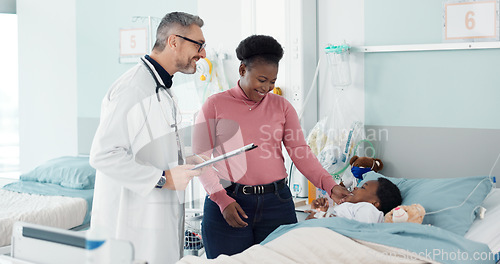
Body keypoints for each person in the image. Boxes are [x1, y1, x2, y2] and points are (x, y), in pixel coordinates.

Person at [192, 34, 351, 259]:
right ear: (242, 70)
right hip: (229, 203)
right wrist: (221, 199)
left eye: (272, 81)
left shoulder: (282, 107)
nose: (267, 87)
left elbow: (300, 152)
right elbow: (200, 159)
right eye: (261, 79)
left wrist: (330, 185)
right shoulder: (215, 105)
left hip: (276, 203)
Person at [89, 12, 207, 264]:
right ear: (174, 41)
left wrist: (182, 159)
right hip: (131, 225)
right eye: (199, 45)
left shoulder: (163, 89)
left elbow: (146, 149)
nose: (203, 54)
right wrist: (164, 178)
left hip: (156, 220)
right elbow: (103, 154)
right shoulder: (132, 88)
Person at [305, 177, 402, 223]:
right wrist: (317, 212)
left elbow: (359, 231)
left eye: (363, 188)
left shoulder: (368, 208)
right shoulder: (349, 207)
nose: (355, 188)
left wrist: (324, 216)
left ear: (374, 203)